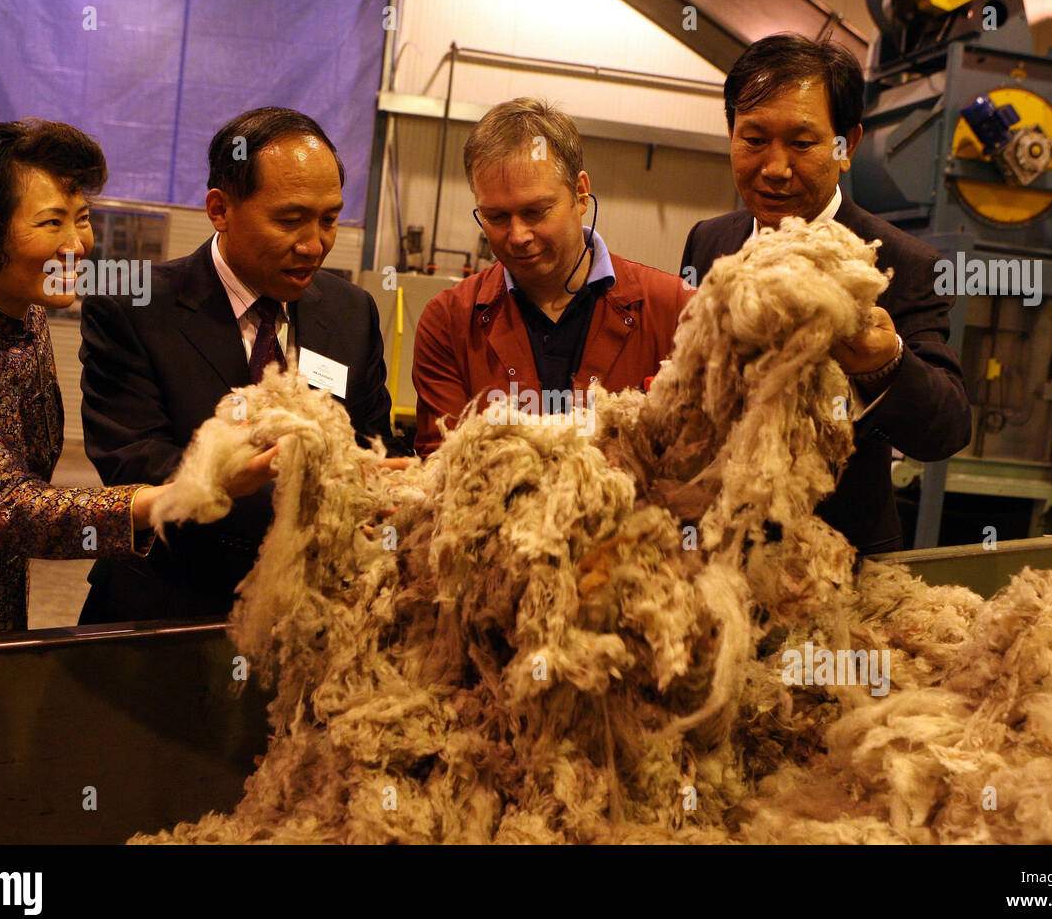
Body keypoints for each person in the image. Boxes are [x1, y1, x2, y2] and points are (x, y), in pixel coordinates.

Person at [0, 120, 275, 640]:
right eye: (51, 223)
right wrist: (179, 494)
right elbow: (8, 509)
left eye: (83, 218)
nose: (77, 244)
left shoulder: (20, 316)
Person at [78, 107, 393, 624]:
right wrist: (235, 478)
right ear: (220, 210)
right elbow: (132, 459)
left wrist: (380, 483)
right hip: (168, 612)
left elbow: (371, 439)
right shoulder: (133, 306)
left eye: (329, 219)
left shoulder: (351, 312)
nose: (314, 245)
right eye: (290, 220)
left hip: (305, 619)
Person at [680, 34, 972, 554]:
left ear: (847, 145)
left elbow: (946, 429)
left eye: (802, 142)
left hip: (837, 564)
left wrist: (886, 364)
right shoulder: (710, 242)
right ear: (730, 132)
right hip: (714, 549)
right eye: (753, 139)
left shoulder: (901, 265)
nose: (775, 167)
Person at [412, 98, 692, 456]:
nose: (518, 236)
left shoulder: (675, 312)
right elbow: (442, 470)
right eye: (495, 217)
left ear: (580, 194)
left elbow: (697, 466)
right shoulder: (449, 322)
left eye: (536, 211)